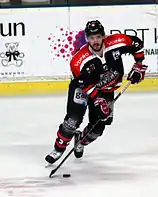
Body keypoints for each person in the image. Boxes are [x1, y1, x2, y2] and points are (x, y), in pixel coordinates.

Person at [45, 20, 147, 164]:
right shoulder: (78, 61)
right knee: (73, 120)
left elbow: (136, 44)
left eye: (98, 37)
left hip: (106, 89)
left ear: (103, 36)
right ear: (87, 39)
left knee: (98, 127)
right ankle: (58, 149)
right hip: (83, 88)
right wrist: (97, 100)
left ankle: (80, 141)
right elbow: (83, 83)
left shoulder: (117, 42)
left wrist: (138, 65)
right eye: (92, 38)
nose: (95, 41)